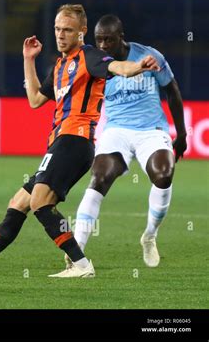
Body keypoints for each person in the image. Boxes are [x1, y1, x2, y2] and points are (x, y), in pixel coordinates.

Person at [0, 4, 160, 278]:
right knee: (19, 203)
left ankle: (81, 264)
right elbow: (35, 100)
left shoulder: (89, 56)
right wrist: (28, 59)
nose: (61, 35)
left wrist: (138, 67)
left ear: (81, 32)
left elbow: (117, 67)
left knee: (40, 202)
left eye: (68, 30)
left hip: (75, 141)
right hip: (60, 142)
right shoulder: (60, 65)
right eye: (57, 29)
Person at [70, 14, 187, 268]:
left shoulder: (149, 55)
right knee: (99, 177)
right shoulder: (97, 63)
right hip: (116, 130)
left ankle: (149, 235)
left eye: (108, 40)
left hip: (151, 130)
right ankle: (76, 251)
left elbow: (172, 90)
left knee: (164, 175)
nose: (102, 45)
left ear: (121, 37)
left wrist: (183, 134)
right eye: (98, 40)